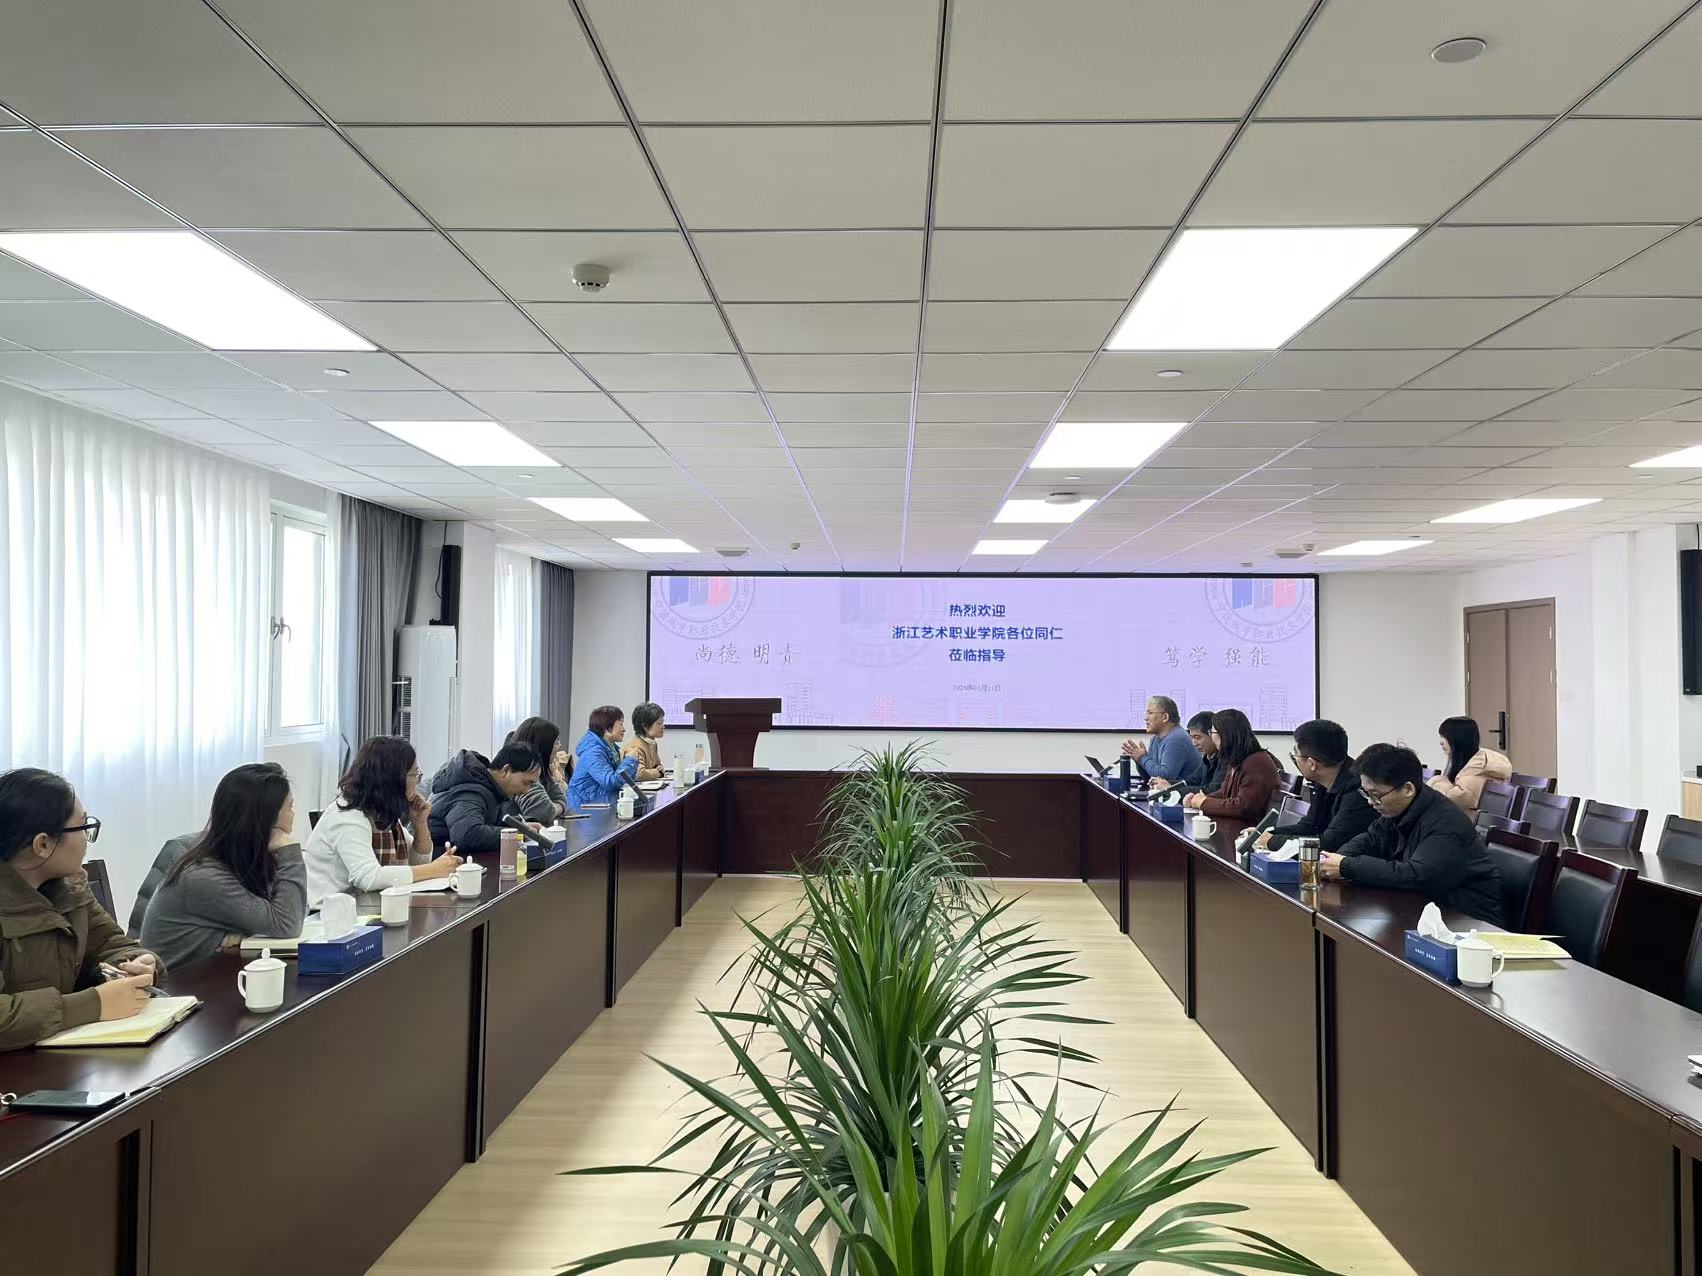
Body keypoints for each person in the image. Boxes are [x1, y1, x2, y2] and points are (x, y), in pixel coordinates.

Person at [0, 767, 162, 1050]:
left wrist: (134, 964)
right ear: (42, 844)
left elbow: (112, 944)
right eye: (83, 827)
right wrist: (93, 1004)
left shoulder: (70, 887)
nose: (87, 839)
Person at [140, 763, 308, 970]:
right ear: (266, 817)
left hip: (213, 975)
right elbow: (288, 924)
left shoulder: (244, 857)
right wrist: (290, 853)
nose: (293, 815)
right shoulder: (203, 876)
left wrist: (246, 931)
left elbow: (298, 909)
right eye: (290, 807)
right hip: (178, 985)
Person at [1321, 743, 1504, 924]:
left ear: (1408, 789)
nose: (1370, 802)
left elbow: (1416, 875)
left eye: (1376, 795)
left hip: (1468, 922)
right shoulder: (1397, 810)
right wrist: (1336, 859)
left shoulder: (1446, 823)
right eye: (1366, 793)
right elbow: (1369, 840)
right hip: (1425, 911)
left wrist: (1347, 866)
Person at [304, 737, 461, 905]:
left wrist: (420, 824)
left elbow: (417, 864)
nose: (417, 781)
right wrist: (434, 869)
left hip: (367, 905)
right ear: (394, 780)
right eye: (415, 774)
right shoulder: (348, 816)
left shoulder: (381, 811)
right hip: (328, 913)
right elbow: (368, 877)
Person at [1258, 719, 1376, 853]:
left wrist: (1272, 842)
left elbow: (1329, 843)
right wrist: (1267, 834)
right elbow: (1308, 826)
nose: (1294, 759)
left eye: (1295, 755)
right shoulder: (1322, 783)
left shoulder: (1357, 791)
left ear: (1311, 764)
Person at [427, 742, 543, 853]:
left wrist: (521, 825)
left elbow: (487, 823)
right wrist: (517, 833)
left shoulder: (489, 787)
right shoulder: (471, 791)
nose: (526, 791)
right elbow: (467, 835)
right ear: (506, 770)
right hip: (436, 858)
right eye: (526, 783)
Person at [1182, 708, 1280, 822]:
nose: (1212, 737)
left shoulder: (1256, 762)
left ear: (1226, 735)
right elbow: (1224, 793)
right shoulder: (1236, 759)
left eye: (1212, 732)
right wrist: (1197, 800)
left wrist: (1204, 803)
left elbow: (1243, 807)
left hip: (1250, 827)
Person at [1427, 716, 1513, 815]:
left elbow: (1459, 798)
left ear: (1459, 739)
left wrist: (1436, 782)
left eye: (1445, 737)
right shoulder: (1471, 762)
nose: (1441, 742)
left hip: (1470, 821)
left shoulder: (1480, 769)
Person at [1121, 695, 1203, 788]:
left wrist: (1143, 758)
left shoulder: (1176, 739)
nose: (1146, 718)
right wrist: (1139, 760)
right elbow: (1150, 777)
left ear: (1165, 717)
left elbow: (1165, 777)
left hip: (1187, 794)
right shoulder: (1155, 739)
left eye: (1150, 713)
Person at [569, 705, 641, 807]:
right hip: (585, 809)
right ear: (607, 727)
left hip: (601, 805)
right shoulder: (592, 752)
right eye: (620, 724)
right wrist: (630, 760)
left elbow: (624, 780)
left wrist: (631, 761)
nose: (624, 729)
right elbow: (611, 782)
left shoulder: (611, 748)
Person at [506, 717, 565, 824]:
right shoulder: (523, 772)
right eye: (556, 742)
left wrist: (553, 808)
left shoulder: (542, 772)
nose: (559, 746)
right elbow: (542, 814)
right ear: (545, 746)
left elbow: (561, 799)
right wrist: (554, 808)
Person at [623, 702, 667, 782]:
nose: (663, 727)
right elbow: (639, 774)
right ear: (645, 726)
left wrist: (658, 770)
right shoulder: (635, 746)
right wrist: (658, 772)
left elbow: (658, 766)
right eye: (659, 723)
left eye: (662, 722)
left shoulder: (652, 743)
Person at [1186, 710, 1223, 795]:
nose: (1194, 744)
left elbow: (1212, 790)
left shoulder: (1225, 759)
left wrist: (1172, 790)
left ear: (1212, 734)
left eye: (1197, 737)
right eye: (1192, 738)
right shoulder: (1208, 756)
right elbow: (1192, 781)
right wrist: (1168, 785)